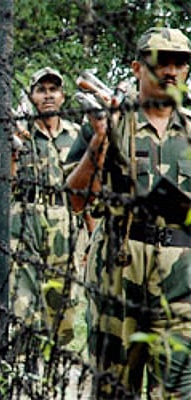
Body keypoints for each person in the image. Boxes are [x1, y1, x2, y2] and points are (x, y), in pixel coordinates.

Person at [66, 27, 191, 398]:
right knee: (113, 387)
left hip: (181, 277)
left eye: (180, 63)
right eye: (160, 62)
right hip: (120, 268)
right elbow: (75, 199)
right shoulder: (111, 120)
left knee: (180, 390)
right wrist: (101, 140)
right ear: (138, 68)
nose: (170, 71)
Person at [10, 67, 82, 347]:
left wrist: (89, 239)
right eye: (41, 90)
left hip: (64, 221)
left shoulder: (76, 135)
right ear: (32, 96)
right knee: (23, 299)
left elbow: (85, 189)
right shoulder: (21, 133)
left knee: (63, 301)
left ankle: (57, 360)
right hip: (26, 217)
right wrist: (13, 149)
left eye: (53, 90)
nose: (48, 95)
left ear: (63, 97)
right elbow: (7, 182)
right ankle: (25, 364)